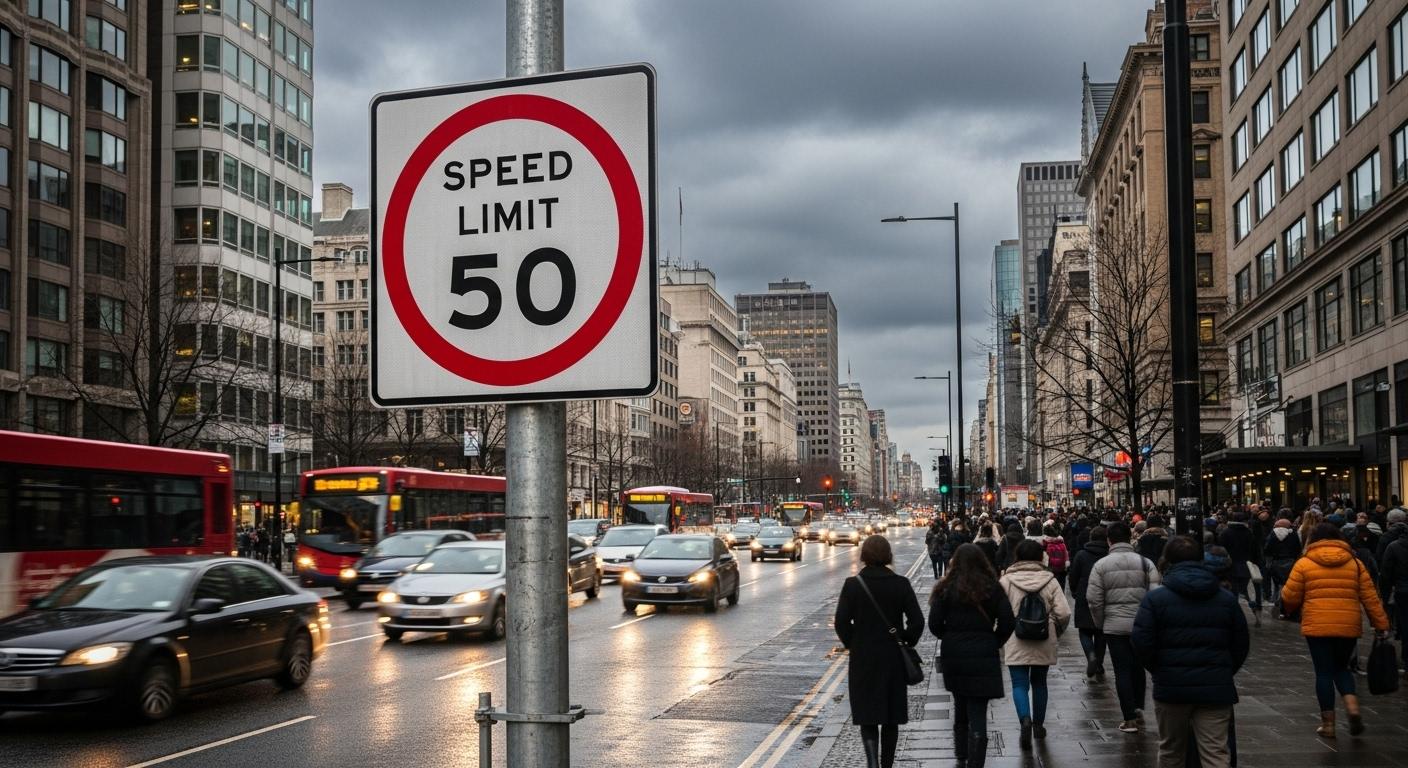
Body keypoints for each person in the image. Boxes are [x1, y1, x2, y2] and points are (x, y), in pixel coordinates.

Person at [1132, 536, 1249, 768]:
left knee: (1170, 751)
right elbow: (1240, 643)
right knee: (1216, 752)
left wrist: (1160, 669)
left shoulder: (1155, 599)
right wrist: (1223, 669)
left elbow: (1142, 642)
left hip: (1171, 686)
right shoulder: (1225, 599)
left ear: (1168, 560)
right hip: (1215, 685)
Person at [1280, 522, 1391, 738]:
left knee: (1323, 672)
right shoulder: (1355, 564)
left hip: (1317, 624)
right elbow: (1370, 598)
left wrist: (1292, 608)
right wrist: (1381, 625)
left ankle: (1328, 724)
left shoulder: (1304, 563)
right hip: (1347, 624)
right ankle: (1353, 708)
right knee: (1341, 668)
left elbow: (1289, 596)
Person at [835, 535, 925, 768]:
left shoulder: (853, 585)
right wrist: (905, 640)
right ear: (888, 555)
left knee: (868, 714)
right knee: (890, 716)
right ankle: (886, 764)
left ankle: (872, 762)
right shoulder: (900, 584)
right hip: (893, 658)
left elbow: (841, 622)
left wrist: (854, 643)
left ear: (864, 555)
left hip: (864, 658)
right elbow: (917, 621)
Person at [929, 543, 1015, 768]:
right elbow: (1008, 621)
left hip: (954, 653)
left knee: (960, 700)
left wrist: (949, 637)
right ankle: (976, 761)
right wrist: (995, 641)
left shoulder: (945, 588)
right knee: (978, 708)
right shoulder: (992, 587)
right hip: (984, 650)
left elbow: (934, 623)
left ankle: (961, 752)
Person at [1087, 521, 1161, 733]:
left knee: (1122, 670)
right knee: (1138, 667)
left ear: (1109, 540)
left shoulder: (1101, 565)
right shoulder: (1145, 563)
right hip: (1141, 625)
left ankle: (1128, 718)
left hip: (1114, 625)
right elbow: (1155, 594)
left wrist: (1101, 622)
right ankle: (1138, 708)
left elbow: (1094, 599)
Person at [998, 539, 1070, 750]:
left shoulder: (1007, 580)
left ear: (1017, 557)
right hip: (1043, 636)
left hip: (1015, 635)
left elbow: (998, 611)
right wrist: (1054, 629)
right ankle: (1038, 725)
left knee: (1019, 684)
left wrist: (1001, 632)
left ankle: (1024, 720)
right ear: (1041, 557)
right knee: (1040, 683)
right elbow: (1064, 612)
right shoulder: (1050, 580)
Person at [1069, 524, 1110, 682]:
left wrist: (1074, 590)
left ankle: (1091, 656)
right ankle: (1098, 663)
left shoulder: (1081, 555)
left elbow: (1073, 575)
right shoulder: (1108, 554)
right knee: (1101, 632)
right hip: (1104, 594)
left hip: (1084, 593)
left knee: (1084, 630)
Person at [1219, 511, 1261, 627]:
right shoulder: (1249, 533)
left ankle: (1232, 617)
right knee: (1245, 592)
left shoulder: (1225, 533)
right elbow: (1255, 552)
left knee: (1232, 594)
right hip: (1245, 567)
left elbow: (1221, 550)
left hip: (1230, 567)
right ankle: (1255, 614)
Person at [1380, 527, 1408, 668]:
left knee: (1404, 622)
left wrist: (1385, 594)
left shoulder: (1394, 546)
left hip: (1402, 590)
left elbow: (1386, 572)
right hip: (1401, 589)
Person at [1264, 516, 1301, 617]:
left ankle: (1276, 602)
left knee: (1276, 584)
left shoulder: (1273, 534)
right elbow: (1298, 548)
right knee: (1287, 584)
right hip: (1290, 562)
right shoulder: (1293, 534)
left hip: (1276, 562)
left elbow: (1267, 549)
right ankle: (1284, 606)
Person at [1042, 521, 1070, 591]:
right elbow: (1066, 556)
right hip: (1061, 571)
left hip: (1049, 572)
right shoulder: (1061, 542)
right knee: (1060, 590)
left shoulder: (1044, 544)